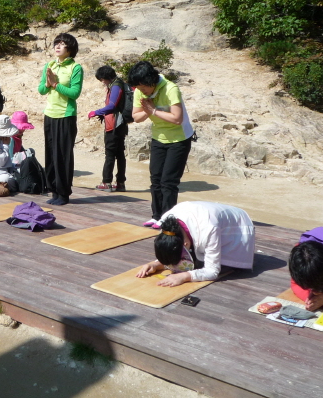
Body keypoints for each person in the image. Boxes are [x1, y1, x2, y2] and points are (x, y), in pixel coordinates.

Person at [129, 60, 194, 223]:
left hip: (179, 139)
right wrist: (147, 110)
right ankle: (156, 216)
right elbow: (136, 117)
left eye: (143, 87)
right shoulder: (140, 92)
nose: (141, 91)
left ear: (151, 81)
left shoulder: (171, 89)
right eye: (138, 88)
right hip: (158, 138)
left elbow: (177, 118)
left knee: (168, 182)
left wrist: (153, 110)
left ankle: (168, 220)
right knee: (156, 179)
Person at [136, 201, 255, 287]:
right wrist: (156, 264)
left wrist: (184, 276)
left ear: (185, 243)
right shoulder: (166, 224)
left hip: (238, 227)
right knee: (194, 262)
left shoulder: (209, 228)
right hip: (204, 216)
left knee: (214, 265)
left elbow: (212, 271)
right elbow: (170, 247)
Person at [38, 33, 83, 205]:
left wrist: (56, 85)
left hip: (66, 115)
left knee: (63, 156)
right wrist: (47, 84)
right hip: (50, 114)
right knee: (50, 155)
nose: (57, 46)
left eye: (62, 44)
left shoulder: (75, 68)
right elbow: (41, 90)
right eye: (56, 43)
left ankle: (63, 194)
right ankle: (53, 191)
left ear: (70, 49)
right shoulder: (49, 65)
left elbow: (75, 93)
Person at [88, 65, 128, 192]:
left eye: (102, 79)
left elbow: (111, 106)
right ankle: (120, 183)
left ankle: (106, 182)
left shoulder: (116, 86)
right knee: (120, 154)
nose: (102, 82)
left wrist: (95, 112)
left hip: (115, 125)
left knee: (110, 154)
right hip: (121, 125)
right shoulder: (119, 84)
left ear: (106, 77)